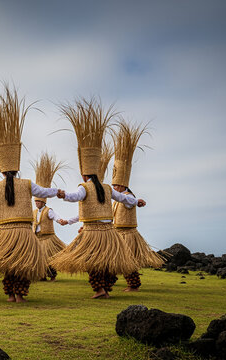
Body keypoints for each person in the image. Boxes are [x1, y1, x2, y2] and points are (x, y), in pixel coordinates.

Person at [0, 82, 63, 303]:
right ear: (16, 167)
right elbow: (44, 191)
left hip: (5, 234)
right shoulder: (26, 183)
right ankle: (19, 295)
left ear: (1, 168)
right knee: (24, 263)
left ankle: (11, 295)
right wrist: (58, 191)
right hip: (24, 234)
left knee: (9, 263)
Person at [50, 98, 143, 299]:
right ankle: (104, 290)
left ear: (85, 174)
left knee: (94, 261)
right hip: (109, 232)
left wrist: (63, 194)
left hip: (94, 233)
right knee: (107, 260)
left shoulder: (85, 187)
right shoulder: (108, 188)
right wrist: (138, 201)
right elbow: (125, 199)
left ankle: (101, 290)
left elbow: (76, 197)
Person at [111, 121, 164, 291]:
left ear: (122, 185)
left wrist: (138, 201)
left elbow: (131, 202)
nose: (113, 189)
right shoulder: (118, 198)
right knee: (113, 259)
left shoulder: (128, 197)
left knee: (128, 260)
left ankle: (133, 286)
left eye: (115, 186)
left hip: (128, 234)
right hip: (117, 233)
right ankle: (106, 285)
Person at [31, 152, 74, 281]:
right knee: (39, 259)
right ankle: (41, 275)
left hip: (48, 239)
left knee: (49, 258)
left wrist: (60, 220)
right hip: (37, 239)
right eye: (35, 202)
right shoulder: (33, 212)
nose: (37, 203)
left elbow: (55, 216)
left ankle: (52, 276)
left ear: (43, 202)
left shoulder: (48, 210)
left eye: (38, 202)